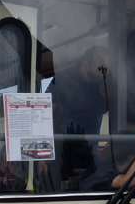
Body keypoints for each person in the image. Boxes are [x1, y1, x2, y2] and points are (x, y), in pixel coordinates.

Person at [47, 46, 110, 186]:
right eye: (100, 69)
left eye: (106, 69)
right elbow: (47, 112)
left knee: (89, 187)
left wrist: (106, 95)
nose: (103, 73)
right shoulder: (63, 78)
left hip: (90, 148)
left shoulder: (102, 83)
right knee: (60, 189)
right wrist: (44, 149)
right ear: (86, 64)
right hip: (62, 148)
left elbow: (106, 109)